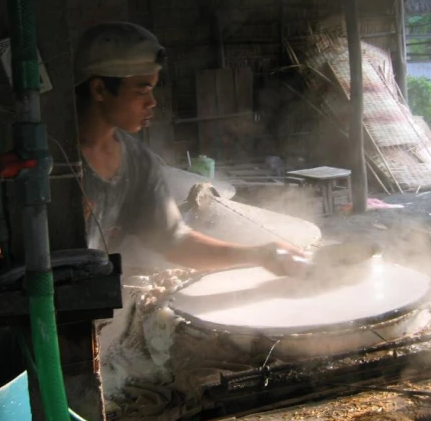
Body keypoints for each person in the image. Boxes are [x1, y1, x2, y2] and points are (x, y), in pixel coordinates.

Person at [74, 22, 308, 276]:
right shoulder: (49, 161)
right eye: (142, 90)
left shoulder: (138, 161)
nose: (152, 102)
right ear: (99, 89)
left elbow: (173, 240)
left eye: (153, 89)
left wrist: (261, 254)